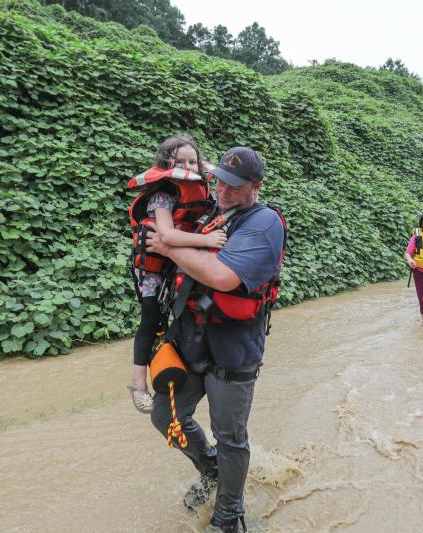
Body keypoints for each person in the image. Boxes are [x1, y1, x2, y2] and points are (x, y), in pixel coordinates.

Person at [146, 146, 285, 533]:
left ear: (255, 187)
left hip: (233, 349)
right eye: (220, 180)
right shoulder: (209, 213)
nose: (223, 189)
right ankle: (210, 469)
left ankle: (228, 513)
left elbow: (222, 277)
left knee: (231, 438)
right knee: (166, 416)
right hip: (190, 340)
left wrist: (168, 246)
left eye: (235, 186)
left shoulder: (264, 221)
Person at [126, 135, 226, 413]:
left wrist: (200, 164)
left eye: (191, 161)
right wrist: (206, 241)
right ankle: (138, 384)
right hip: (152, 265)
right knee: (150, 318)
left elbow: (212, 169)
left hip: (176, 263)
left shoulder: (199, 184)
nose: (187, 166)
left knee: (180, 313)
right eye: (179, 161)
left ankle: (175, 366)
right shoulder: (163, 194)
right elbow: (167, 234)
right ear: (165, 163)